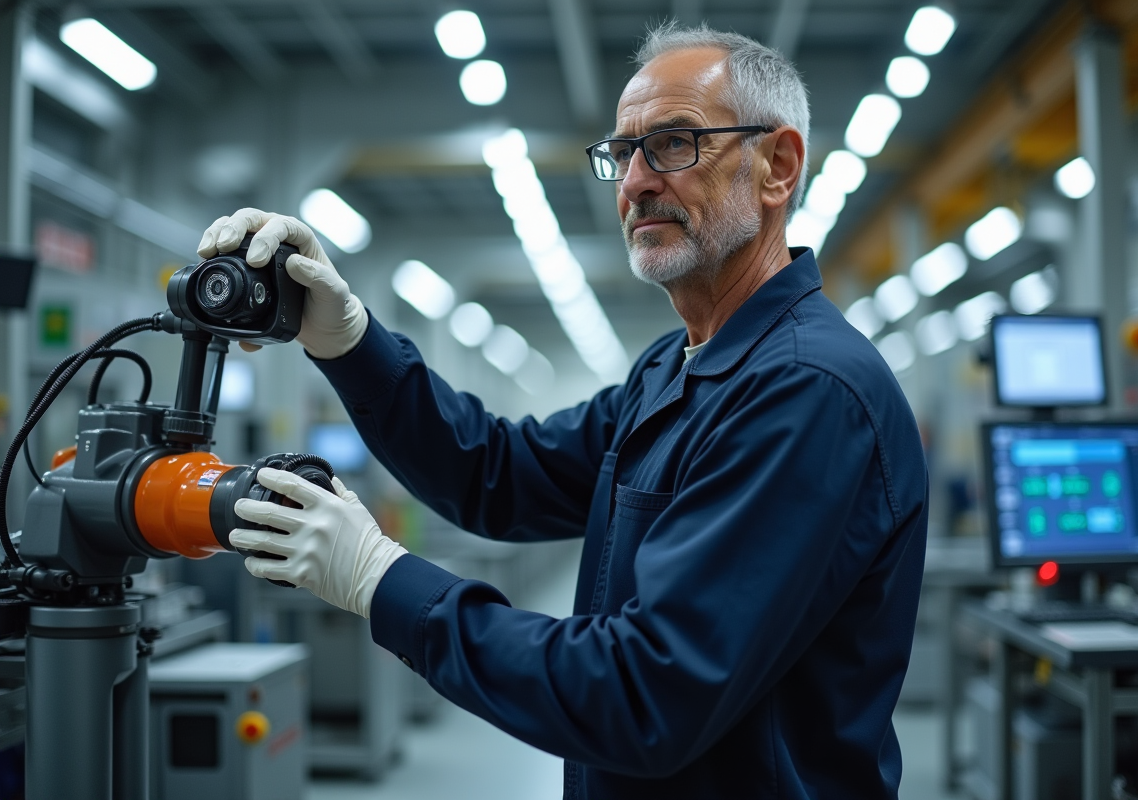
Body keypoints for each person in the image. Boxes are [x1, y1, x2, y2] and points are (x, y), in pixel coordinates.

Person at [209, 23, 928, 800]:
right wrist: (348, 339)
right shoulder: (675, 366)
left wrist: (381, 580)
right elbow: (494, 472)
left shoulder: (807, 390)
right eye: (622, 154)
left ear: (777, 168)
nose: (636, 182)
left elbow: (644, 695)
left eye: (674, 144)